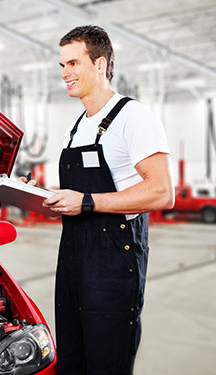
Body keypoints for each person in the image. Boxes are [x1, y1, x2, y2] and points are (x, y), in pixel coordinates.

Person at [20, 26, 174, 374]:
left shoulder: (133, 117)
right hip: (73, 261)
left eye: (73, 63)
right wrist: (37, 192)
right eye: (61, 65)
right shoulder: (75, 128)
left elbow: (162, 191)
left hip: (113, 265)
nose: (65, 73)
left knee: (107, 363)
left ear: (100, 64)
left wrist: (87, 202)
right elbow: (75, 196)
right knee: (72, 360)